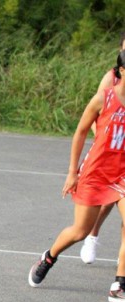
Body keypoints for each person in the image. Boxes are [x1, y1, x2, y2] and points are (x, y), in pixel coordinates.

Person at [28, 50, 125, 302]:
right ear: (122, 71)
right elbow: (81, 131)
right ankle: (49, 257)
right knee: (80, 231)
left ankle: (119, 285)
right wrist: (72, 172)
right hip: (96, 172)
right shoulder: (103, 98)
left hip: (123, 173)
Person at [79, 32, 125, 264]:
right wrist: (104, 140)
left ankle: (122, 264)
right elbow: (97, 114)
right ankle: (92, 235)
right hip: (109, 149)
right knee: (106, 201)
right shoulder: (111, 78)